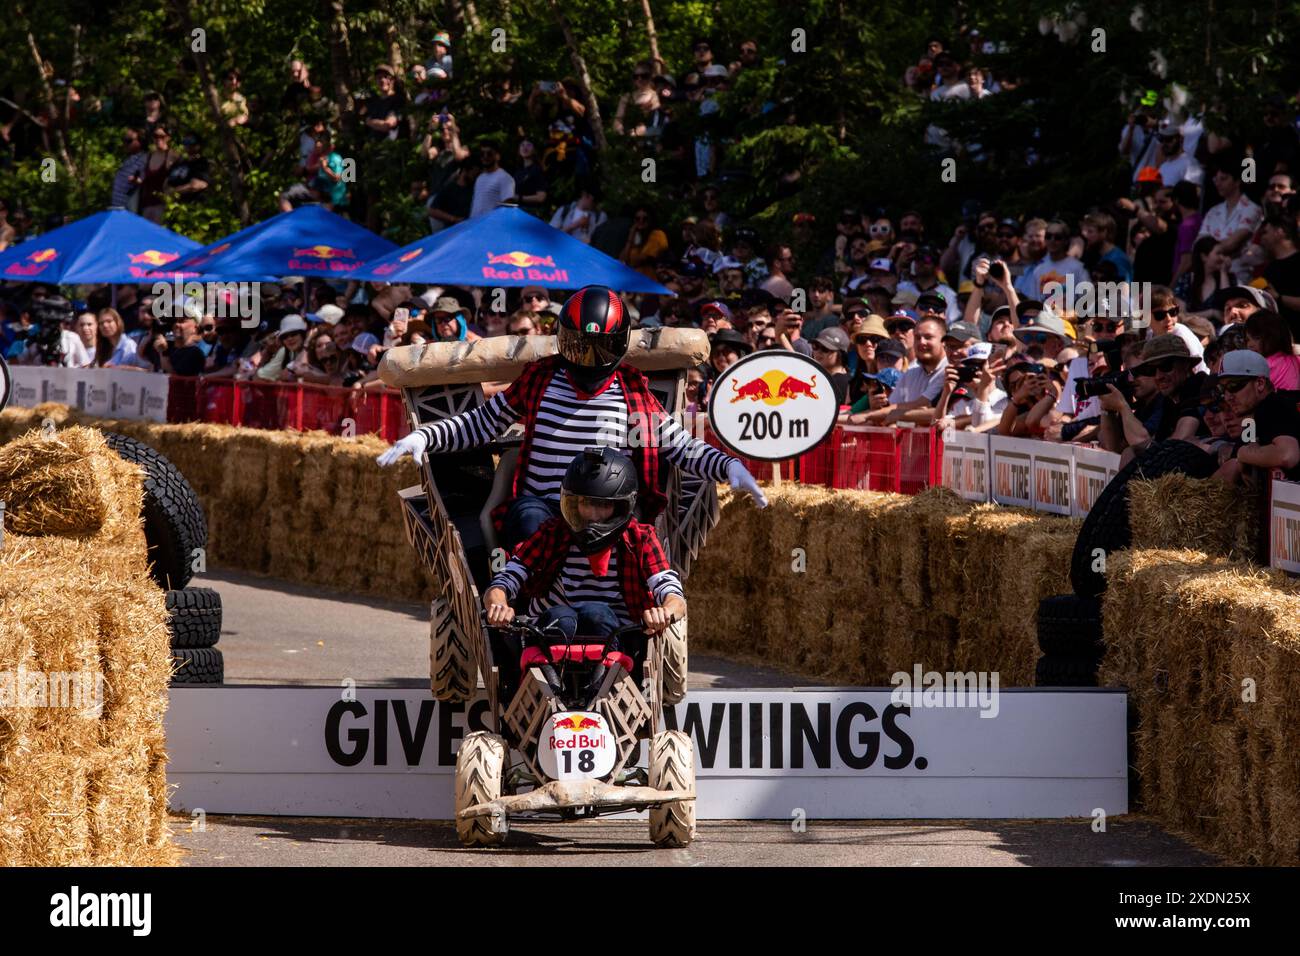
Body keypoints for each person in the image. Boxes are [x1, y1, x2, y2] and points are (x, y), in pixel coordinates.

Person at [377, 285, 767, 549]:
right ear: (563, 341)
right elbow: (482, 423)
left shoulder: (632, 390)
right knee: (527, 520)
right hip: (544, 506)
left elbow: (677, 444)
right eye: (578, 347)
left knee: (634, 545)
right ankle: (524, 616)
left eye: (599, 349)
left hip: (609, 512)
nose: (586, 360)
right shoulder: (541, 378)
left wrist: (728, 466)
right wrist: (427, 437)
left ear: (618, 347)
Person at [1211, 349, 1300, 483]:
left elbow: (1287, 455)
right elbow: (1233, 465)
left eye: (1234, 386)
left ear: (1260, 383)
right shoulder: (1251, 420)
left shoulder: (1274, 405)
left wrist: (1243, 454)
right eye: (1222, 389)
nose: (1228, 396)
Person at [1199, 154, 1264, 284]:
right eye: (1215, 179)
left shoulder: (1251, 208)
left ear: (1237, 181)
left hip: (1239, 277)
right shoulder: (1213, 211)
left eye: (1223, 179)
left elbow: (1234, 242)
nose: (1218, 183)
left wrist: (1211, 252)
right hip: (1211, 276)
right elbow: (1199, 243)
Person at [1244, 310, 1300, 391]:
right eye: (1248, 339)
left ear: (1273, 336)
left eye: (1257, 337)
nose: (1250, 344)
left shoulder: (1263, 367)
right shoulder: (1296, 359)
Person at [470, 142, 514, 217]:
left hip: (491, 226)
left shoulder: (504, 178)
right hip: (474, 225)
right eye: (482, 154)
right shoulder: (480, 178)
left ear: (498, 156)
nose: (485, 156)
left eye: (489, 154)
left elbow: (508, 208)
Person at [809, 327, 852, 405]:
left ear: (841, 354)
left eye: (825, 348)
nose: (819, 351)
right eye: (815, 346)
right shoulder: (820, 378)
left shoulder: (841, 382)